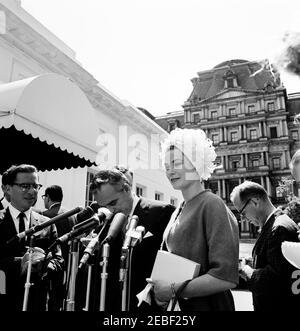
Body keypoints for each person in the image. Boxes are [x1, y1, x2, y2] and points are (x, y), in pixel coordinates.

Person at [148, 128, 239, 311]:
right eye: (166, 166)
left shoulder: (211, 204)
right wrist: (158, 293)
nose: (170, 171)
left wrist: (173, 290)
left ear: (196, 162)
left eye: (176, 163)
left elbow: (225, 277)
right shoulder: (179, 209)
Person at [84, 168, 175, 311]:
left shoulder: (162, 212)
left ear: (126, 188)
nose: (110, 209)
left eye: (113, 203)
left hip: (149, 306)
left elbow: (171, 260)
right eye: (105, 206)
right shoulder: (105, 221)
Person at [0, 164, 64, 311]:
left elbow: (59, 260)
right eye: (25, 186)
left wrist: (45, 264)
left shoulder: (47, 224)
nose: (32, 191)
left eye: (36, 186)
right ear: (8, 188)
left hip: (36, 301)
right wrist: (20, 263)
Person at [230, 180, 300, 311]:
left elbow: (274, 280)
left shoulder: (278, 228)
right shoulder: (278, 223)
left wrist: (246, 270)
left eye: (242, 212)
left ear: (255, 202)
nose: (243, 219)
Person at [39, 185, 76, 310]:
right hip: (69, 263)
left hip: (52, 265)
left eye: (44, 197)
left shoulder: (46, 216)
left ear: (48, 198)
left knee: (49, 300)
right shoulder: (71, 214)